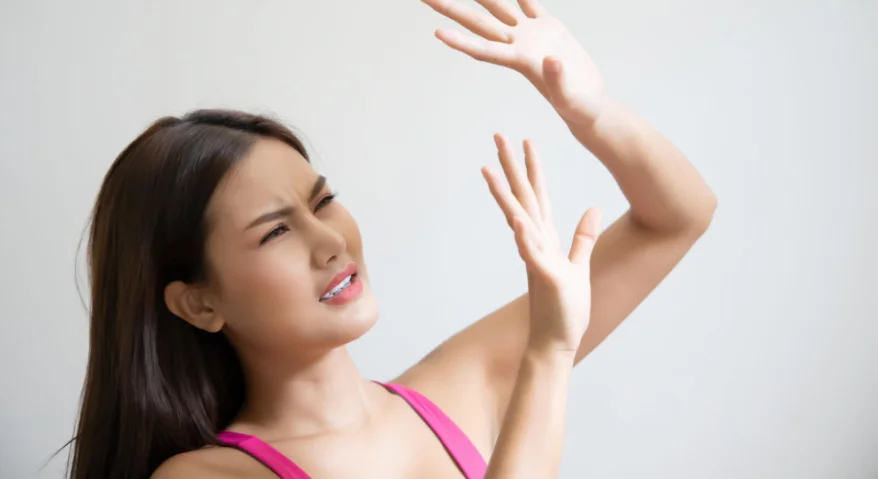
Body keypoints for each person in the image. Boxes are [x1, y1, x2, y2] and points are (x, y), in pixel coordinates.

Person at [66, 0, 717, 478]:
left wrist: (593, 112)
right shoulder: (203, 476)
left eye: (323, 202)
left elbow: (677, 216)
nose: (330, 241)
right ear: (199, 302)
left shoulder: (458, 389)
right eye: (277, 231)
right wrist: (548, 352)